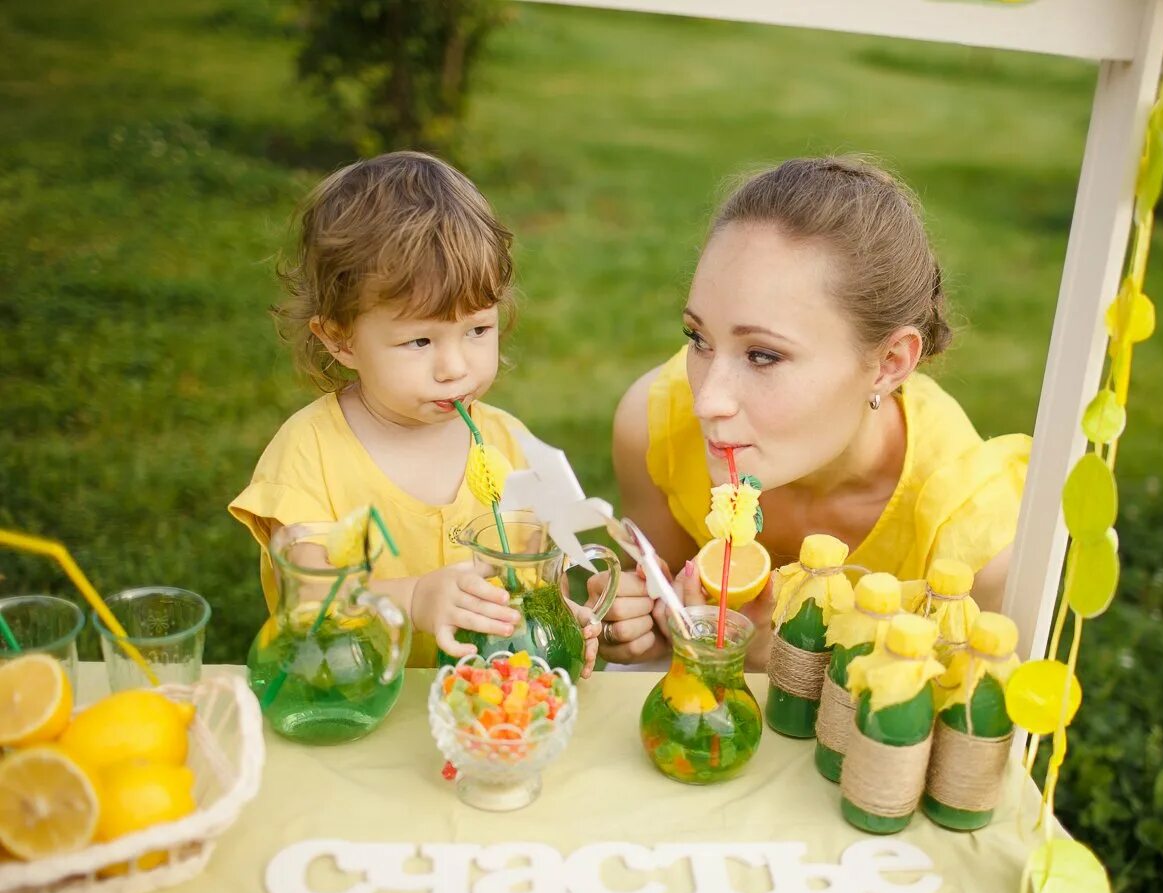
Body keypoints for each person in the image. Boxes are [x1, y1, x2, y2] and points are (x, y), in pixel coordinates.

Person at [594, 155, 1030, 665]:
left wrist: (766, 658)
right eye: (699, 338)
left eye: (762, 355)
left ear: (889, 363)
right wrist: (647, 624)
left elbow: (952, 734)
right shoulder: (655, 427)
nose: (707, 399)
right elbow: (662, 618)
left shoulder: (976, 544)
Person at [230, 151, 600, 670]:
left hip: (484, 714)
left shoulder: (512, 446)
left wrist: (560, 620)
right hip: (356, 707)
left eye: (477, 330)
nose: (454, 367)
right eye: (420, 340)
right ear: (340, 340)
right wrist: (412, 599)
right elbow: (305, 604)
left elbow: (541, 581)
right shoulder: (308, 455)